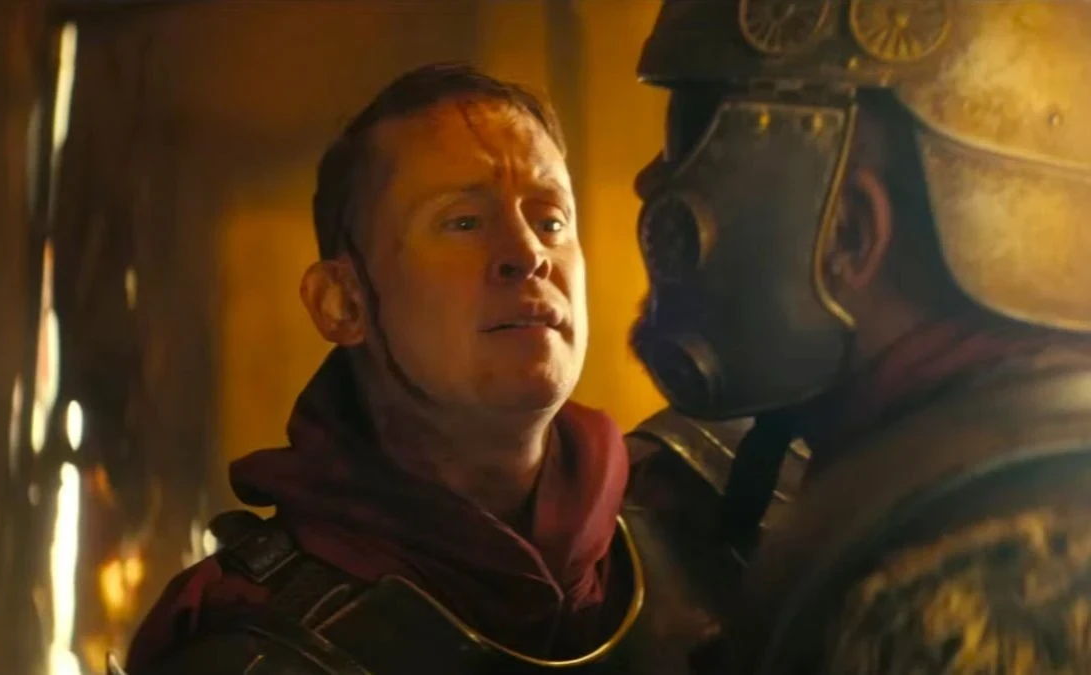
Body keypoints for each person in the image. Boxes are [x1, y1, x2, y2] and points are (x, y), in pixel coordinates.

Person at [118, 62, 646, 675]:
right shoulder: (247, 634)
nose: (529, 254)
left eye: (551, 221)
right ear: (342, 303)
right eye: (463, 222)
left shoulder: (693, 544)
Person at [630, 1, 1091, 673]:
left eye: (691, 138)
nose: (650, 182)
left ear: (846, 231)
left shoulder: (995, 569)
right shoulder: (953, 493)